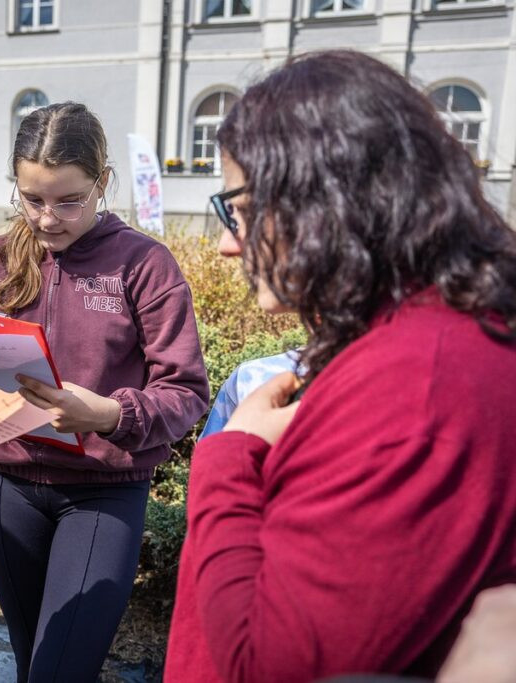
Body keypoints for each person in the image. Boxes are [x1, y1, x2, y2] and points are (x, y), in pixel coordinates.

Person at [164, 50, 516, 683]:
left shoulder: (416, 385)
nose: (226, 242)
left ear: (323, 199)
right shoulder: (416, 338)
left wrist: (231, 454)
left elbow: (267, 664)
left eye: (238, 209)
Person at [0, 101, 209, 682]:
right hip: (8, 481)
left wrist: (107, 413)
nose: (49, 218)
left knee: (61, 671)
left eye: (70, 199)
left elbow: (187, 390)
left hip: (103, 491)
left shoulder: (146, 264)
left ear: (103, 183)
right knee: (30, 662)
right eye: (33, 198)